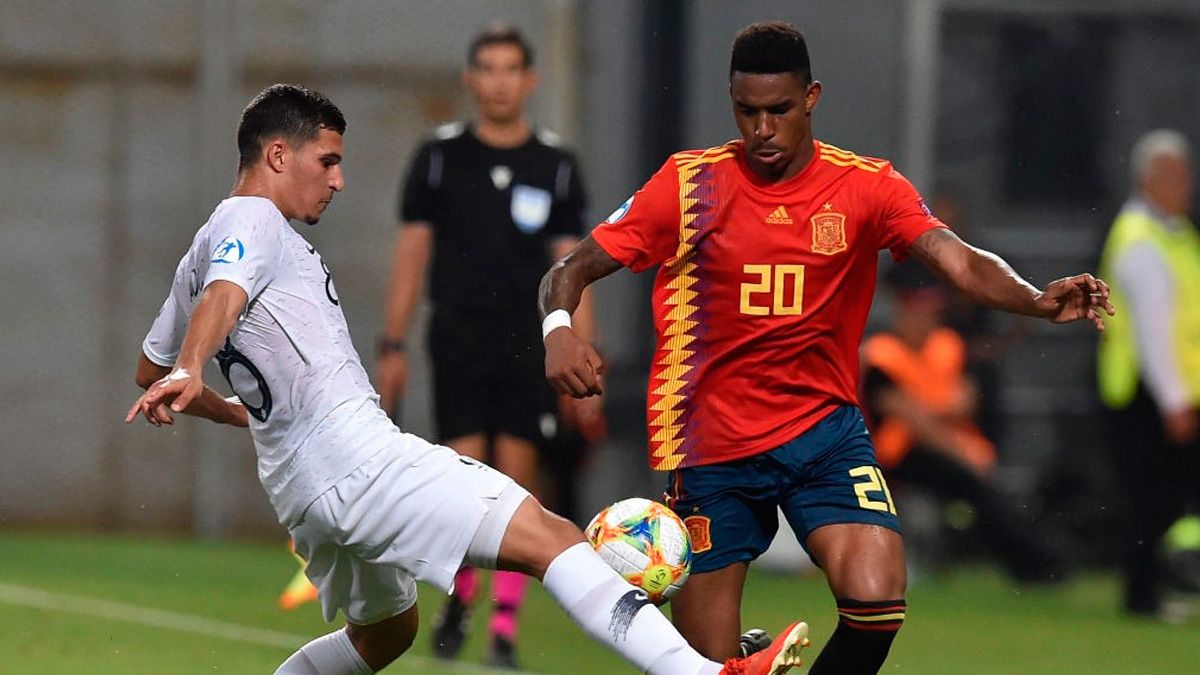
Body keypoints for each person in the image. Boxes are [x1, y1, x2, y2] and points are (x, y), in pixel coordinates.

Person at [124, 83, 810, 675]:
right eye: (327, 160)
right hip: (359, 460)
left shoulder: (201, 248)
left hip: (301, 489)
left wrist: (234, 407)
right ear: (279, 154)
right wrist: (193, 367)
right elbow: (221, 303)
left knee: (386, 632)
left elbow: (147, 367)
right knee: (554, 538)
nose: (337, 179)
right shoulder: (252, 218)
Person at [540, 21, 1113, 674]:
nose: (761, 129)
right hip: (710, 443)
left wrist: (1034, 297)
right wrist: (559, 330)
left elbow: (958, 261)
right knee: (702, 664)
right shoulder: (687, 184)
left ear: (811, 97)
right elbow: (570, 269)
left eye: (778, 111)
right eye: (746, 111)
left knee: (878, 598)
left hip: (823, 431)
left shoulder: (867, 187)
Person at [374, 24, 604, 667]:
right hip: (459, 336)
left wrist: (585, 350)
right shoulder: (440, 157)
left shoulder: (556, 165)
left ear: (529, 80)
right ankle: (460, 595)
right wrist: (390, 343)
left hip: (534, 342)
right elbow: (411, 255)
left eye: (512, 69)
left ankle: (503, 627)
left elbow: (576, 266)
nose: (500, 81)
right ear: (471, 79)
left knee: (518, 480)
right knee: (464, 473)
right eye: (488, 68)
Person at [862, 262, 1063, 583]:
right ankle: (1033, 559)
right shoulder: (881, 355)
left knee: (978, 489)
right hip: (900, 454)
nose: (925, 318)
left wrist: (928, 412)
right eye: (917, 309)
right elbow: (912, 417)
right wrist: (958, 444)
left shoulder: (948, 344)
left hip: (946, 445)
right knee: (970, 483)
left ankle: (1032, 557)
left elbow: (966, 399)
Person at [1097, 129, 1200, 619]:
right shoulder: (1142, 240)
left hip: (1168, 390)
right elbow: (1154, 332)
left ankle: (1153, 589)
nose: (1187, 186)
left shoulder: (1173, 233)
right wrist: (1175, 400)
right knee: (1151, 499)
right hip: (1150, 392)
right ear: (1149, 180)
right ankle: (1142, 595)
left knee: (1161, 498)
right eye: (1175, 177)